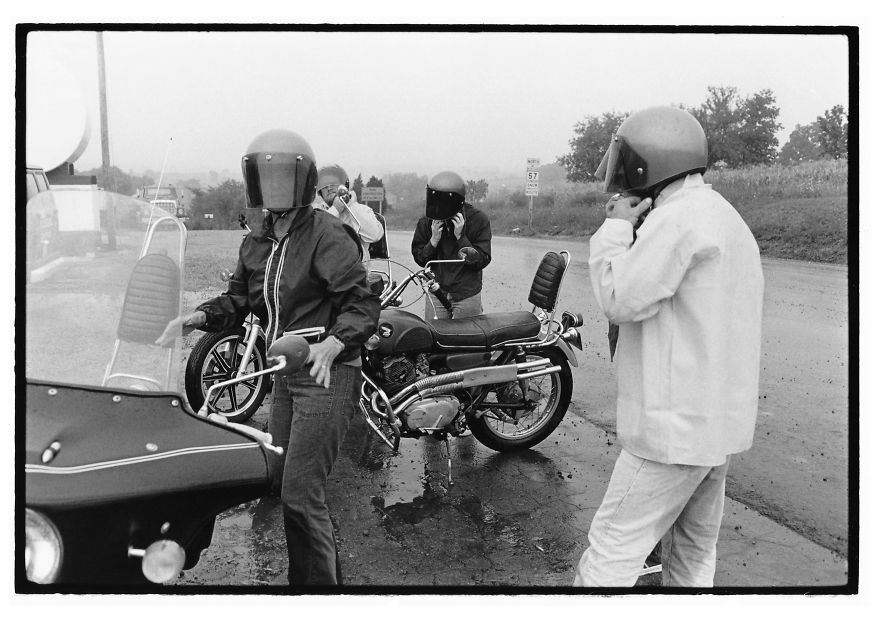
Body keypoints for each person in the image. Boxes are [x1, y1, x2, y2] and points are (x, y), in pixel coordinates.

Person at [158, 129, 379, 586]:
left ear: (304, 179)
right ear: (253, 180)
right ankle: (183, 549)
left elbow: (361, 304)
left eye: (285, 174)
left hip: (327, 373)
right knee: (268, 474)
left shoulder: (326, 234)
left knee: (302, 494)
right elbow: (239, 299)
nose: (275, 185)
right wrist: (196, 317)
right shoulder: (258, 238)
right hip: (283, 371)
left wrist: (335, 342)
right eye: (267, 174)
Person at [572, 106, 764, 588]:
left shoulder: (677, 219)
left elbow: (620, 298)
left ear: (646, 162)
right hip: (714, 429)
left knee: (612, 550)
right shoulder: (723, 216)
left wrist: (616, 227)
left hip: (670, 432)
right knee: (694, 555)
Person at [410, 171, 492, 320]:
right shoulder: (427, 222)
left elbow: (482, 260)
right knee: (435, 337)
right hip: (436, 291)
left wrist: (461, 237)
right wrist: (433, 240)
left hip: (466, 293)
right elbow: (420, 259)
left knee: (467, 338)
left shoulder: (478, 220)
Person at [312, 164, 385, 260]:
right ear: (320, 192)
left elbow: (374, 235)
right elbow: (312, 237)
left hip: (356, 271)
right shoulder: (315, 212)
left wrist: (351, 204)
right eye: (324, 186)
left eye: (333, 184)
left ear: (343, 186)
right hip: (323, 270)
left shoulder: (362, 210)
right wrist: (336, 209)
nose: (329, 188)